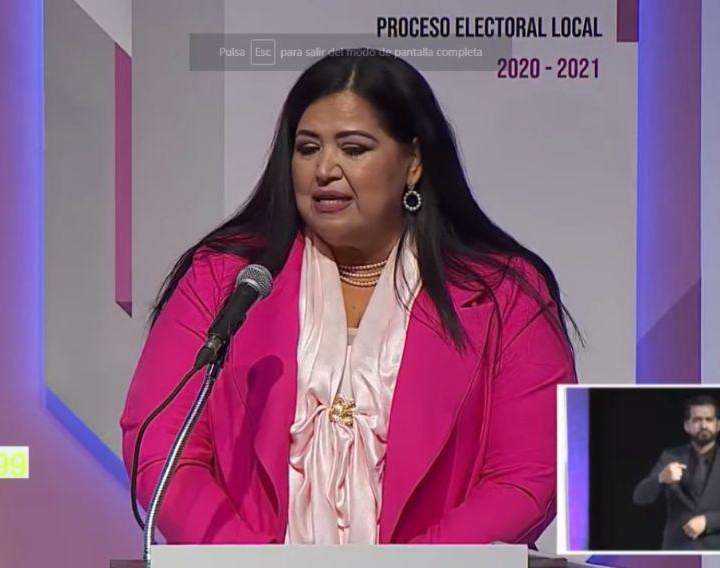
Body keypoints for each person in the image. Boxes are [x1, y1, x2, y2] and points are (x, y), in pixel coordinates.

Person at [120, 48, 578, 546]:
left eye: (354, 149)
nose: (324, 169)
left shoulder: (506, 295)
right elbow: (163, 451)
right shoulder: (225, 280)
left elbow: (526, 477)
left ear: (413, 162)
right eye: (307, 148)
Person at [632, 395, 720, 550]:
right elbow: (639, 497)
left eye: (709, 420)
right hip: (676, 551)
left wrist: (707, 521)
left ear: (718, 425)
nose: (703, 425)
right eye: (697, 420)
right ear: (686, 426)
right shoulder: (670, 457)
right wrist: (661, 478)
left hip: (715, 553)